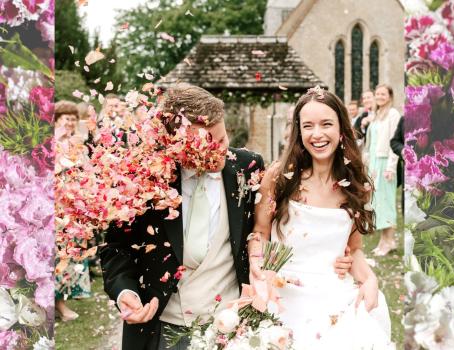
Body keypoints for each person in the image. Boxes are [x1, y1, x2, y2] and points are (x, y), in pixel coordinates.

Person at [99, 84, 353, 350]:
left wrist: (337, 255)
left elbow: (278, 226)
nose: (223, 150)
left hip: (232, 328)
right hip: (161, 329)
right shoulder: (144, 179)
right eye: (210, 145)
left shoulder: (248, 167)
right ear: (177, 145)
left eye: (223, 138)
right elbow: (116, 248)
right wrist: (125, 291)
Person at [248, 86, 393, 349]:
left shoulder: (356, 184)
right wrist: (258, 268)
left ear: (341, 130)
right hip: (282, 291)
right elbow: (260, 232)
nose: (317, 134)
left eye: (326, 124)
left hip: (333, 293)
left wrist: (370, 279)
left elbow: (355, 249)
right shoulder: (279, 177)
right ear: (298, 131)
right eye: (308, 126)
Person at [54, 100, 92, 321]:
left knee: (70, 255)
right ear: (56, 120)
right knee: (56, 256)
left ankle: (62, 301)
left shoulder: (77, 144)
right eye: (66, 118)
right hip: (55, 209)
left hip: (74, 210)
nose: (70, 122)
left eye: (73, 119)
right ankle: (58, 305)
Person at [363, 84, 401, 256]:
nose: (379, 96)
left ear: (390, 96)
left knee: (387, 203)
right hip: (374, 164)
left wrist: (391, 168)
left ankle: (390, 241)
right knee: (378, 204)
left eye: (383, 94)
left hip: (386, 163)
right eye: (377, 93)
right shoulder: (377, 115)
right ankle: (383, 241)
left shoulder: (393, 115)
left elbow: (395, 142)